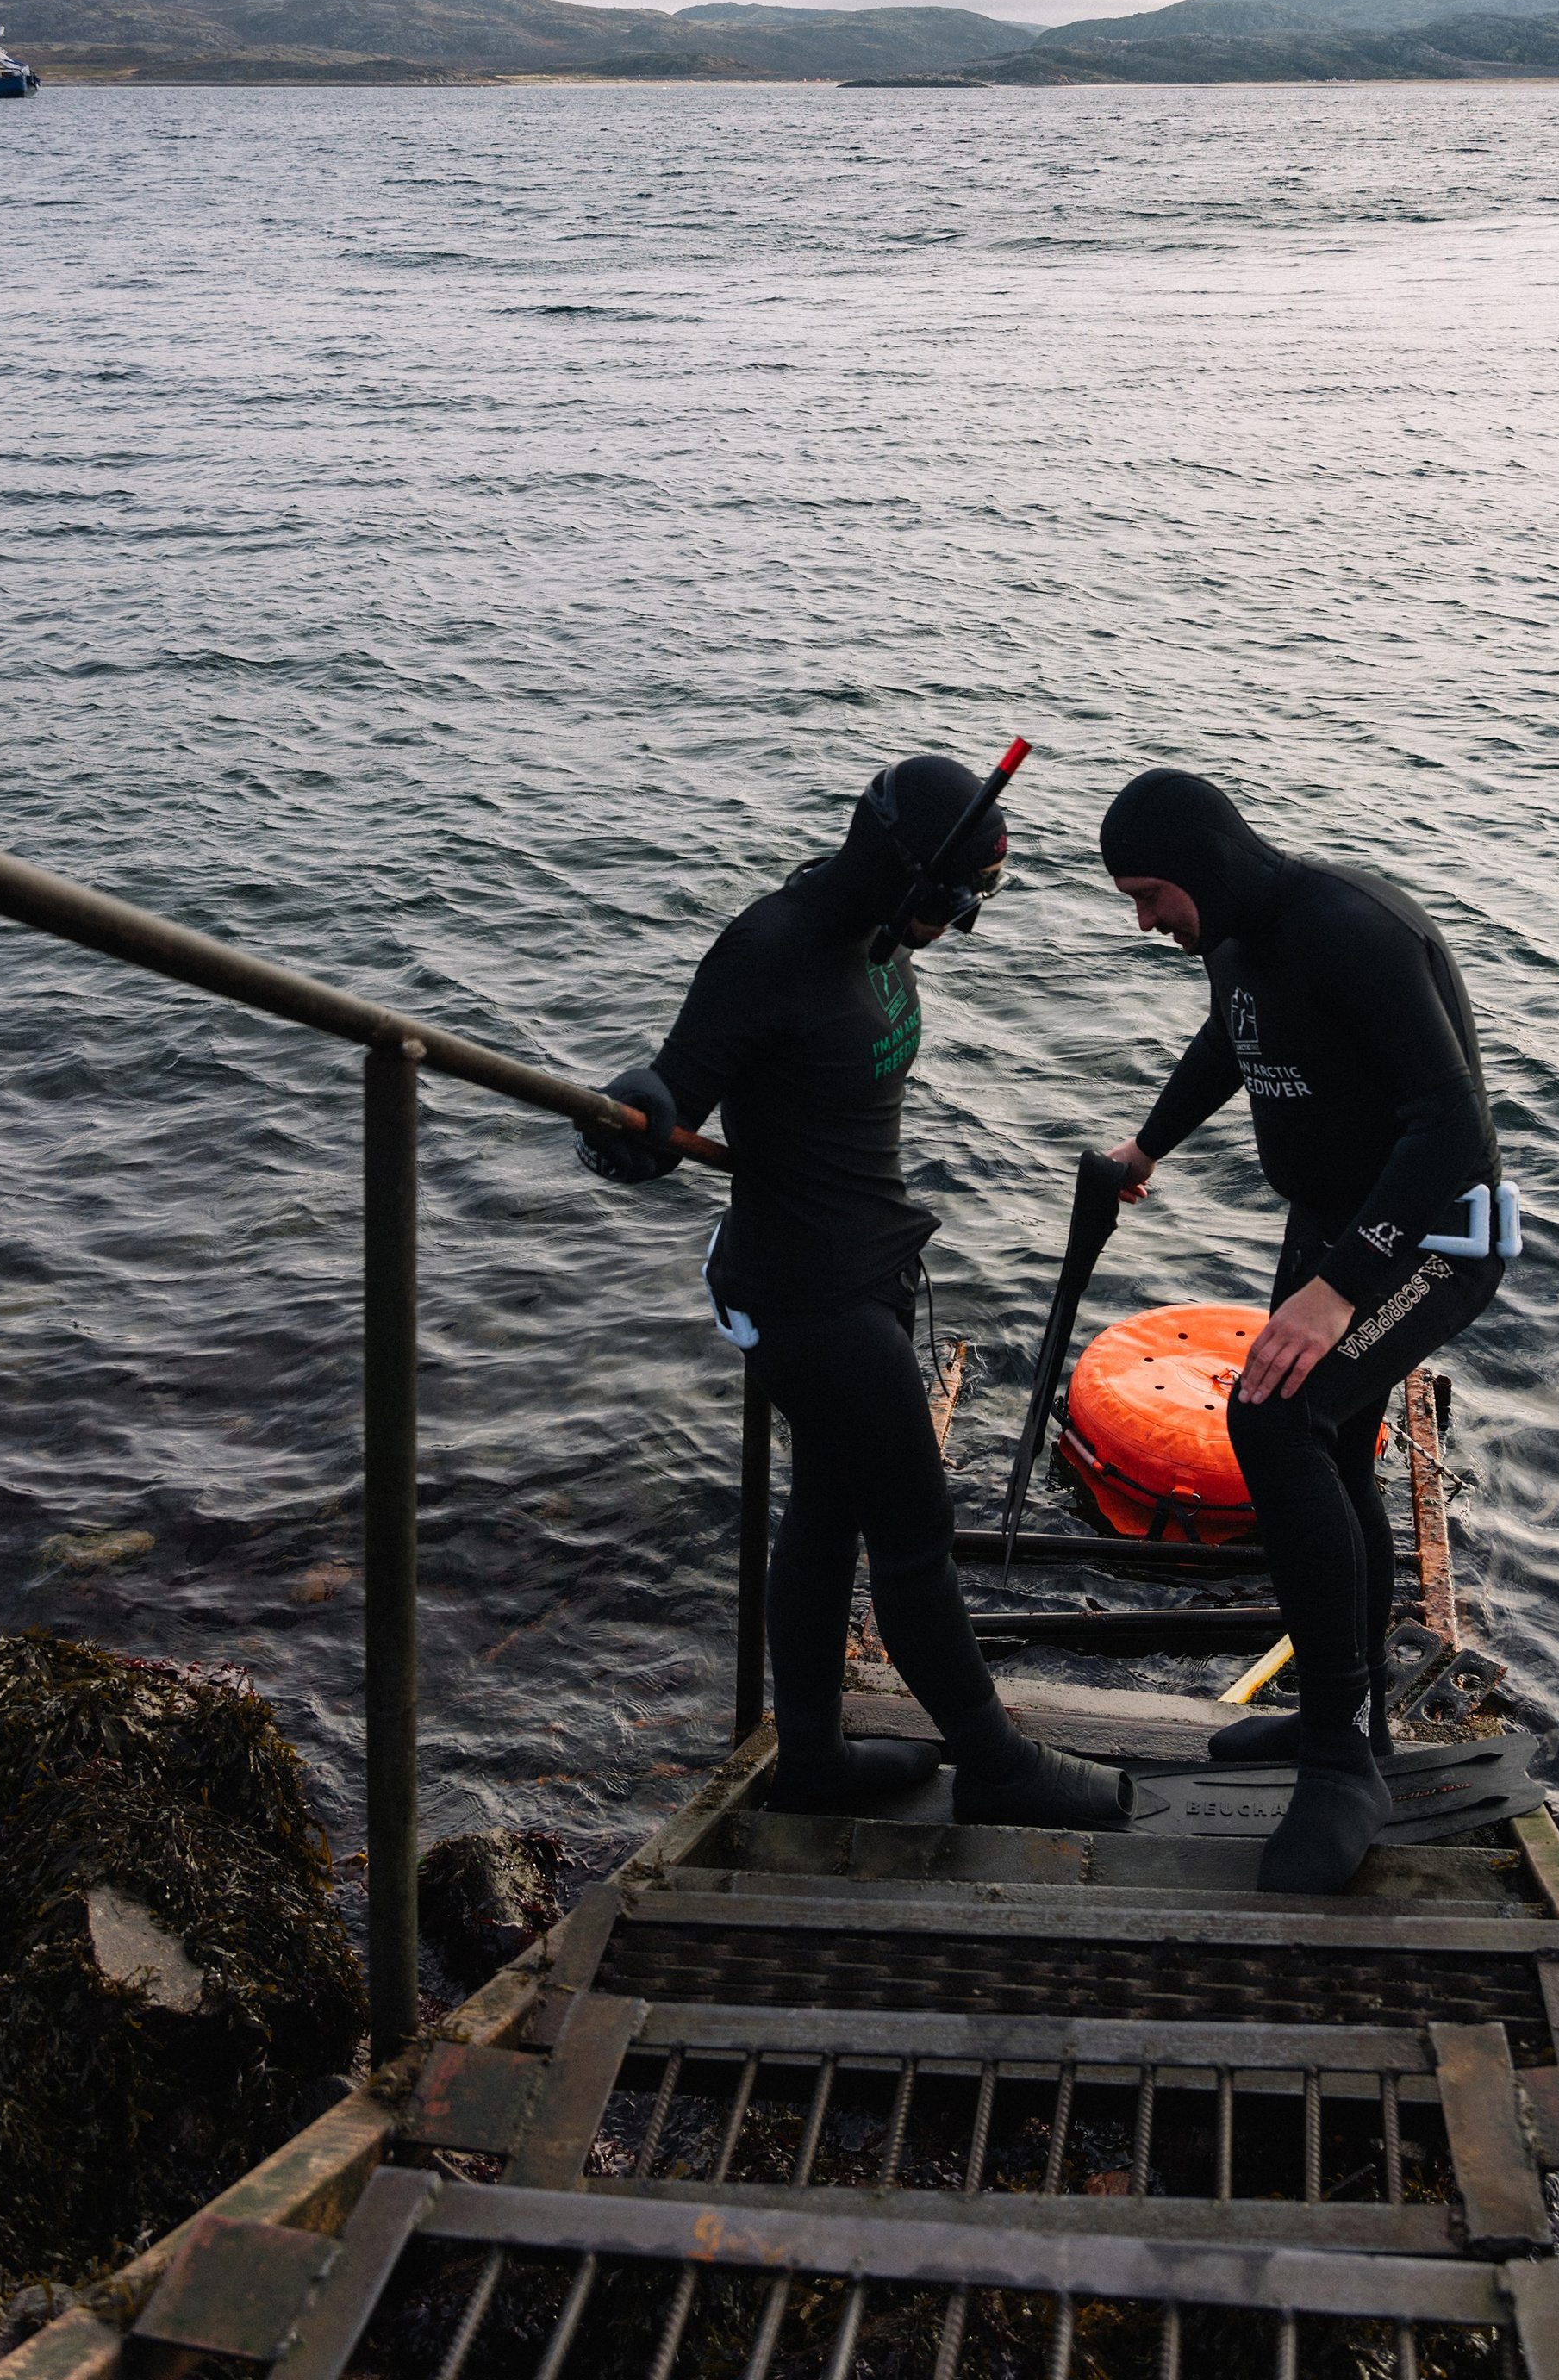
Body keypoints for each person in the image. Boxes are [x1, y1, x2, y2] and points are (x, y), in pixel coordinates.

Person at [580, 754, 1132, 1832]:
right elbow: (666, 1101)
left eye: (978, 898)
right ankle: (996, 1767)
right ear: (895, 868)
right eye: (951, 898)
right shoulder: (769, 949)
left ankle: (816, 1760)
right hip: (802, 1296)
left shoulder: (875, 933)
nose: (960, 922)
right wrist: (627, 1122)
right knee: (914, 1534)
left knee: (829, 1513)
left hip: (866, 1270)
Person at [1096, 768, 1504, 1891]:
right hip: (1335, 1230)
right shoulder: (1235, 940)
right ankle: (1351, 1722)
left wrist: (1338, 1290)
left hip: (1434, 1234)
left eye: (1149, 896)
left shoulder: (1353, 929)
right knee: (1324, 1446)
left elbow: (1452, 1126)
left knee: (1275, 1422)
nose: (1145, 922)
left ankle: (1338, 1764)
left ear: (1202, 868)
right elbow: (1227, 1046)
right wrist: (1145, 1147)